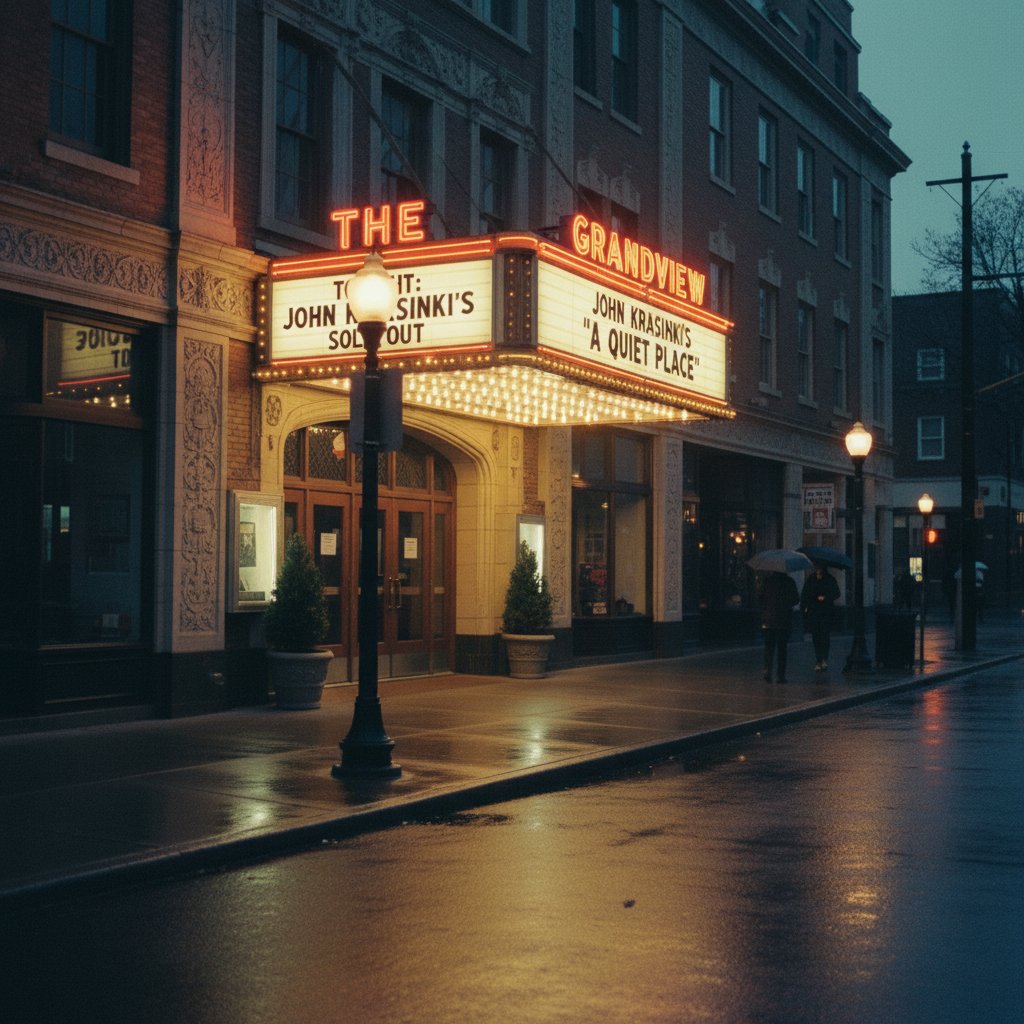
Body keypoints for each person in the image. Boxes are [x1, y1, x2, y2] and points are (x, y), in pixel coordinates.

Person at [759, 570, 799, 683]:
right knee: (782, 648)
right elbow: (796, 599)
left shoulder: (767, 581)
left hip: (768, 619)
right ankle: (781, 675)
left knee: (769, 646)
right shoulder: (789, 582)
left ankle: (767, 668)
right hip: (783, 619)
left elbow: (760, 597)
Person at [800, 563, 841, 672]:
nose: (818, 569)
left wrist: (826, 597)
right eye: (816, 568)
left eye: (819, 567)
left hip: (826, 612)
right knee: (816, 637)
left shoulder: (830, 579)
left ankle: (824, 659)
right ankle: (818, 659)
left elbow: (837, 593)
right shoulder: (811, 579)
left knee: (824, 636)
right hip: (814, 612)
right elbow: (805, 594)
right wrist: (804, 608)